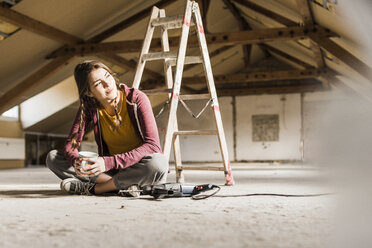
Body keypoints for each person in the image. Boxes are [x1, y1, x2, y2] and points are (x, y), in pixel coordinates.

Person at [46, 60, 168, 196]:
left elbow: (153, 146)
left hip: (138, 168)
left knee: (158, 163)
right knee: (53, 158)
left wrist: (107, 162)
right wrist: (76, 162)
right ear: (89, 93)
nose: (107, 84)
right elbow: (71, 144)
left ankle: (97, 188)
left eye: (108, 76)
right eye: (98, 83)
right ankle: (120, 185)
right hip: (111, 172)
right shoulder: (89, 107)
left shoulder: (137, 99)